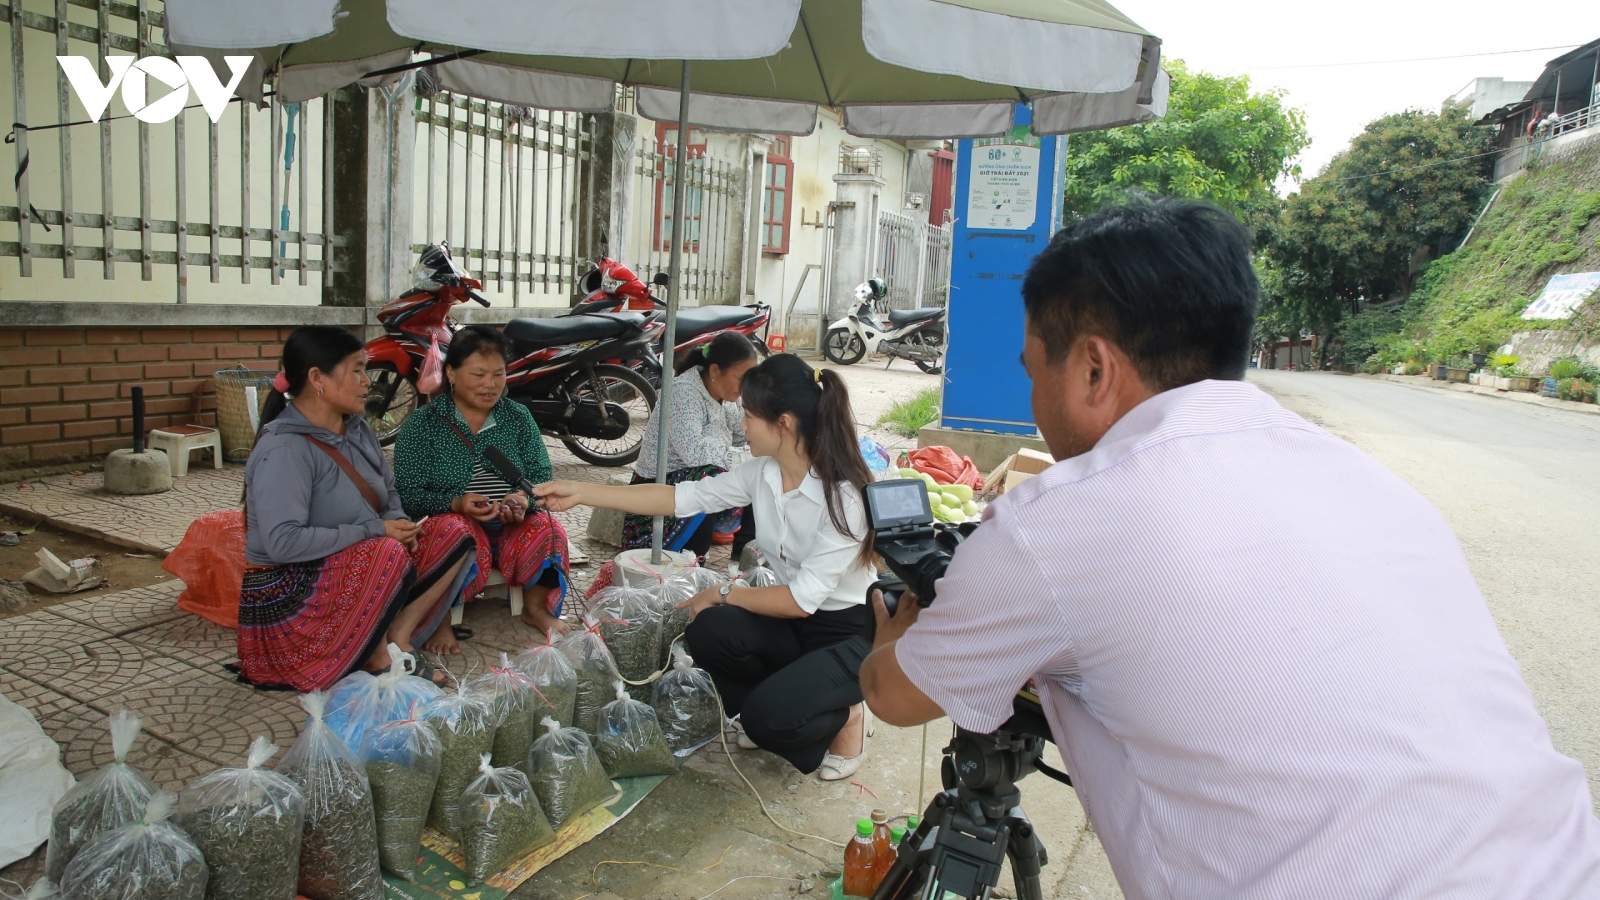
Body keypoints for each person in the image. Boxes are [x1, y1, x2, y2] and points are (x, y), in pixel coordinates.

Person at [860, 197, 1600, 898]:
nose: (1033, 398)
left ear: (1092, 368)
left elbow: (894, 698)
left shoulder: (1059, 521)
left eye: (1032, 371)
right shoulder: (1367, 479)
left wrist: (892, 635)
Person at [535, 354, 877, 780]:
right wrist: (582, 491)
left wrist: (723, 591)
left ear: (784, 423)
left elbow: (800, 601)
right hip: (793, 625)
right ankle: (775, 701)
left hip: (847, 633)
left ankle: (846, 717)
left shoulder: (844, 497)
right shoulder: (762, 473)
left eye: (749, 415)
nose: (741, 424)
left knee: (769, 719)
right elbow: (679, 498)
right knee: (709, 631)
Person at [240, 326, 475, 691]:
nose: (368, 382)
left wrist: (397, 521)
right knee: (382, 550)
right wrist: (376, 531)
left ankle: (398, 634)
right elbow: (282, 543)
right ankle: (376, 658)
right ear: (317, 378)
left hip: (361, 564)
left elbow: (388, 491)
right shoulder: (284, 451)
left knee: (455, 531)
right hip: (292, 595)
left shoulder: (358, 428)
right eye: (357, 370)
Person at [393, 325, 570, 651]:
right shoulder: (423, 424)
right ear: (452, 373)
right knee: (449, 530)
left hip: (509, 527)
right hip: (454, 528)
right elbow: (408, 495)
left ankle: (535, 609)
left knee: (550, 527)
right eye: (478, 374)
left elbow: (540, 477)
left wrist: (521, 500)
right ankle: (439, 620)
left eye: (498, 375)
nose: (490, 385)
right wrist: (456, 503)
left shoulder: (517, 417)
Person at [625, 332, 760, 559]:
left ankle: (742, 556)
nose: (745, 386)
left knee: (760, 471)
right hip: (660, 486)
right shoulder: (683, 391)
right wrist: (740, 457)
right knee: (712, 474)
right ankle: (695, 557)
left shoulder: (728, 399)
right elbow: (693, 451)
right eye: (741, 378)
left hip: (698, 478)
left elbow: (741, 434)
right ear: (716, 371)